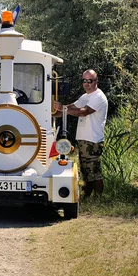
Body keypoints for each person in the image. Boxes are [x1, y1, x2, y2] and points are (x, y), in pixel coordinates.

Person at [54, 69, 108, 197]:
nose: (87, 83)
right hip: (84, 140)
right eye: (84, 80)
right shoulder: (85, 96)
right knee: (85, 170)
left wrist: (63, 108)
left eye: (90, 80)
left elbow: (84, 111)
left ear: (96, 81)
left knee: (94, 171)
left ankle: (99, 198)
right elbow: (71, 108)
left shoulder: (98, 97)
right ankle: (87, 196)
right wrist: (53, 112)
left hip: (93, 140)